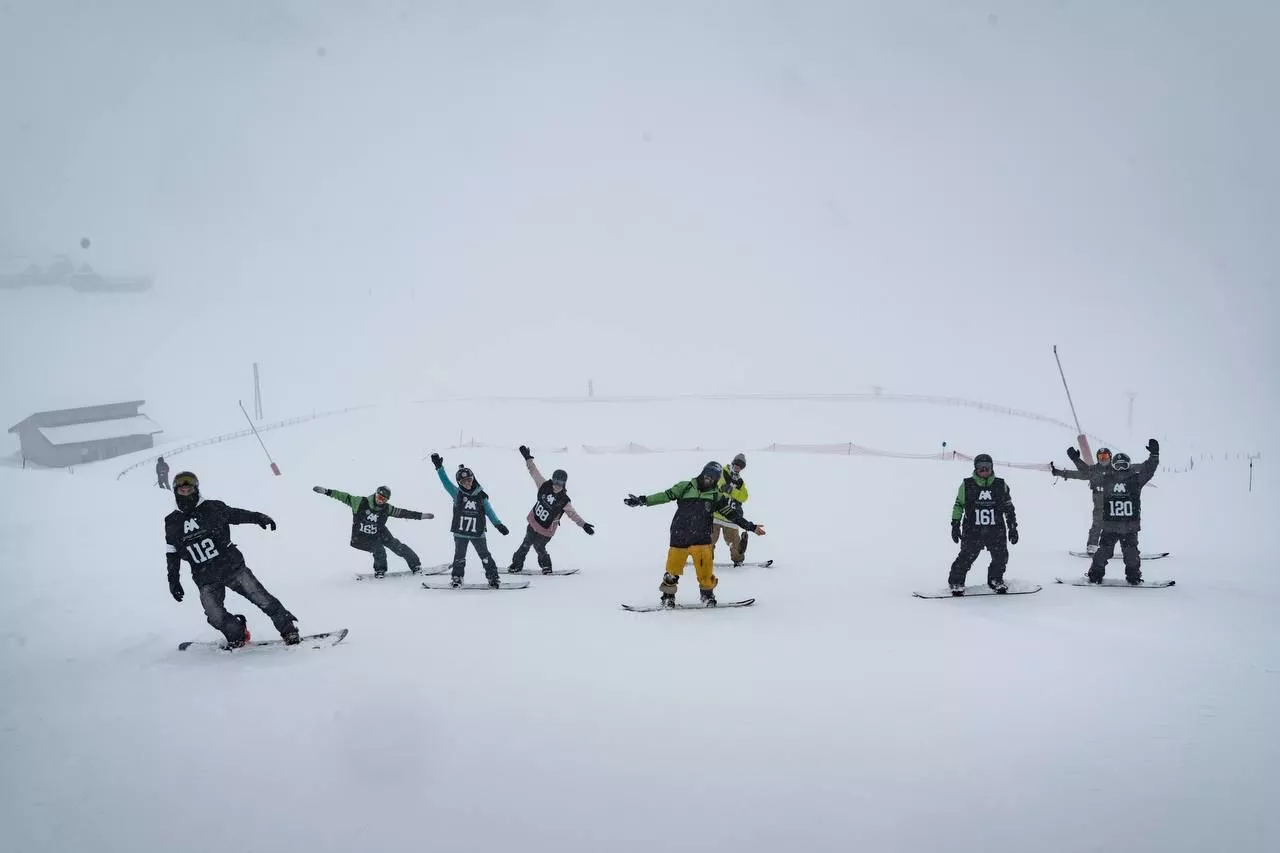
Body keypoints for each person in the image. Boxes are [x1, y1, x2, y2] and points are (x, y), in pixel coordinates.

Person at [164, 471, 300, 647]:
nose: (186, 493)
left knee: (262, 599)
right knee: (214, 615)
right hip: (204, 577)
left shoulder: (212, 508)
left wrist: (258, 517)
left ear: (196, 489)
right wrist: (173, 580)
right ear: (176, 492)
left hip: (232, 568)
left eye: (189, 489)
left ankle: (288, 629)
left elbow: (236, 514)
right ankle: (237, 632)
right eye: (182, 490)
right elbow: (172, 552)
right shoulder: (172, 521)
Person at [623, 461, 766, 608]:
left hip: (702, 539)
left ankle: (707, 596)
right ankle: (668, 596)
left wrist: (751, 527)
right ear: (703, 473)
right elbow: (664, 496)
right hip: (679, 536)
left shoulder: (716, 496)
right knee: (672, 571)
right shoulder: (685, 487)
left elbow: (733, 515)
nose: (709, 480)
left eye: (713, 479)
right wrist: (643, 500)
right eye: (707, 476)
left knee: (706, 573)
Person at [1052, 439, 1159, 584]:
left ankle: (1131, 576)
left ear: (1128, 466)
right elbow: (1086, 472)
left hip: (1125, 525)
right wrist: (1075, 460)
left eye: (1124, 466)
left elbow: (1148, 469)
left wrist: (1154, 455)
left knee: (1129, 553)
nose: (1121, 469)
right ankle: (1098, 575)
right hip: (1114, 525)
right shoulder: (1108, 477)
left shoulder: (1133, 479)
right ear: (1113, 466)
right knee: (1105, 552)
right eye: (1118, 466)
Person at [312, 484, 433, 577]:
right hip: (361, 537)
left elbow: (403, 513)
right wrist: (327, 491)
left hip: (380, 533)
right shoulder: (359, 502)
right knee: (378, 549)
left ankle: (416, 566)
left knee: (398, 546)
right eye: (379, 497)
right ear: (375, 495)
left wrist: (421, 516)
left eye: (384, 499)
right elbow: (343, 496)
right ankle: (380, 570)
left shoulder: (387, 508)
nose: (380, 501)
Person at [508, 445, 594, 574]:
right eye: (555, 481)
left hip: (547, 529)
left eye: (560, 483)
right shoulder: (544, 486)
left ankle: (546, 566)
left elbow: (573, 514)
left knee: (539, 547)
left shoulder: (564, 500)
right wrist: (528, 458)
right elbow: (533, 471)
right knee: (526, 544)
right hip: (534, 522)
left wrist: (584, 525)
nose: (556, 485)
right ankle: (516, 565)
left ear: (564, 484)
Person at [429, 453, 509, 587]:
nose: (467, 483)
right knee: (459, 558)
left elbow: (489, 512)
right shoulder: (456, 493)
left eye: (470, 480)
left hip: (477, 532)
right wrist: (439, 467)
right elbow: (445, 482)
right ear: (459, 483)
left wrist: (498, 524)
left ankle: (493, 577)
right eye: (463, 481)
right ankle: (457, 578)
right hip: (460, 532)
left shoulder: (481, 496)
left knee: (485, 556)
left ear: (473, 479)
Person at [948, 453, 1019, 595]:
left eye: (987, 467)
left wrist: (1012, 527)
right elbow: (959, 505)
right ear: (975, 468)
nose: (984, 470)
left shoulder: (1000, 485)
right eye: (980, 467)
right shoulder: (967, 485)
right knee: (966, 556)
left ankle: (995, 579)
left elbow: (1008, 507)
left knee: (1001, 556)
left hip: (996, 529)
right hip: (973, 529)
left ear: (992, 468)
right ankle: (956, 581)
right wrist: (955, 524)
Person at [1052, 446, 1112, 553]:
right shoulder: (1094, 470)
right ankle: (1092, 545)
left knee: (1119, 524)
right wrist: (1059, 471)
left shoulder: (1115, 470)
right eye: (1101, 457)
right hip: (1099, 504)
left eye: (1105, 457)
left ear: (1110, 457)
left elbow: (1131, 470)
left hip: (1115, 502)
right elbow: (1078, 473)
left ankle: (1126, 547)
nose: (1103, 459)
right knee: (1098, 523)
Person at [712, 452, 750, 565]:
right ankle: (704, 560)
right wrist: (731, 492)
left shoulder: (740, 481)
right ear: (733, 463)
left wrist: (731, 491)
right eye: (737, 464)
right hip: (716, 514)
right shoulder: (722, 472)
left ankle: (738, 560)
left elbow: (744, 497)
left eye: (741, 466)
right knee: (708, 540)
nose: (738, 467)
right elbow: (720, 485)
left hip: (731, 518)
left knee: (735, 544)